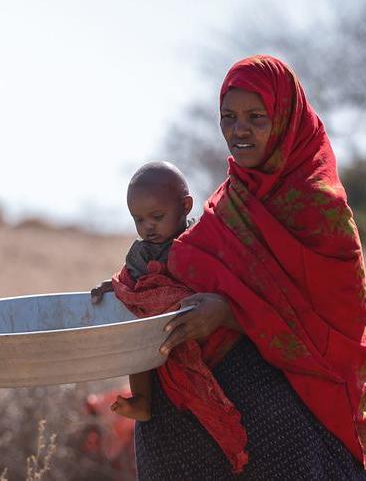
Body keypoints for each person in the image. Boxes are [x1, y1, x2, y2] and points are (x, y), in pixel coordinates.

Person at [132, 55, 366, 480]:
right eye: (228, 117)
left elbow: (338, 322)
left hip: (296, 400)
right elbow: (182, 267)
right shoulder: (229, 202)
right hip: (211, 399)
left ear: (285, 118)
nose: (239, 130)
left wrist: (230, 313)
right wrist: (127, 286)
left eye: (256, 117)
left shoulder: (320, 209)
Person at [90, 161, 195, 422]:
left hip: (191, 328)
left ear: (185, 206)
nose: (148, 226)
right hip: (152, 334)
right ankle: (142, 401)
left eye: (157, 217)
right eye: (139, 219)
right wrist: (113, 285)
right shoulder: (142, 252)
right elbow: (129, 281)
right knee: (135, 344)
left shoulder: (198, 241)